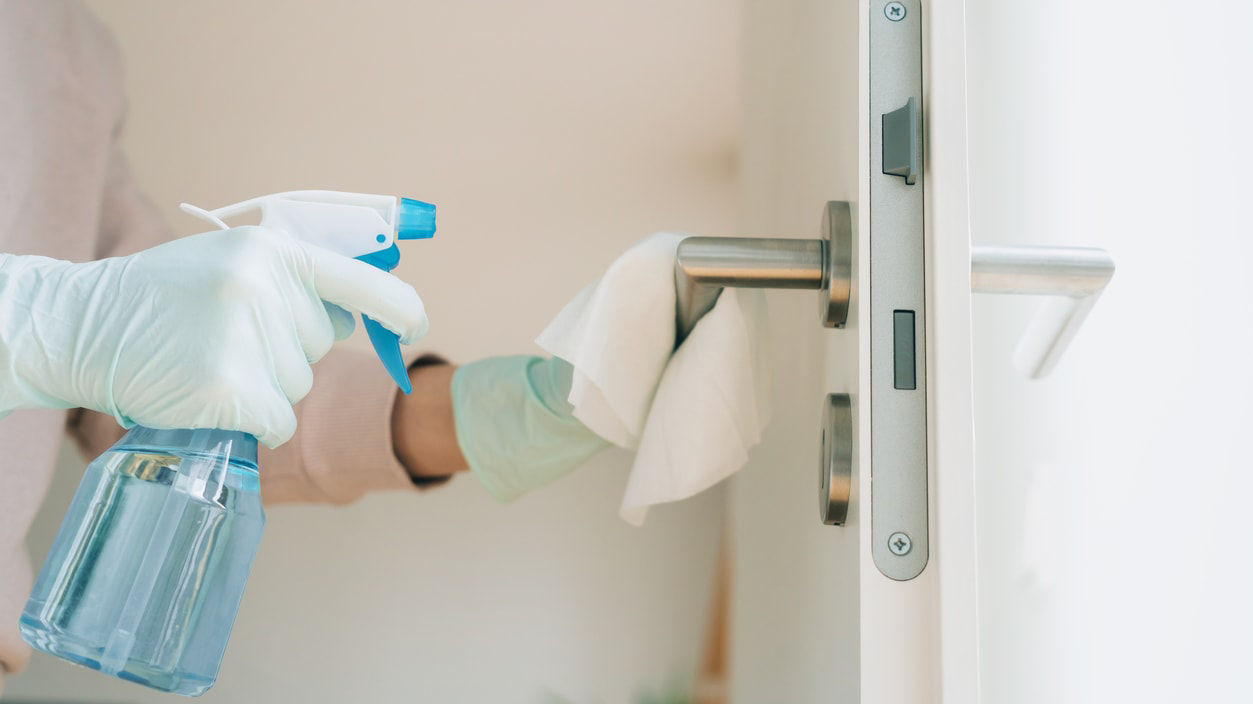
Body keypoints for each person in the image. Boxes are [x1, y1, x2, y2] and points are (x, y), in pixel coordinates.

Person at [0, 1, 608, 690]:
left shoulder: (69, 48)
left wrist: (477, 414)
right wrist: (26, 323)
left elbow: (159, 388)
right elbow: (82, 330)